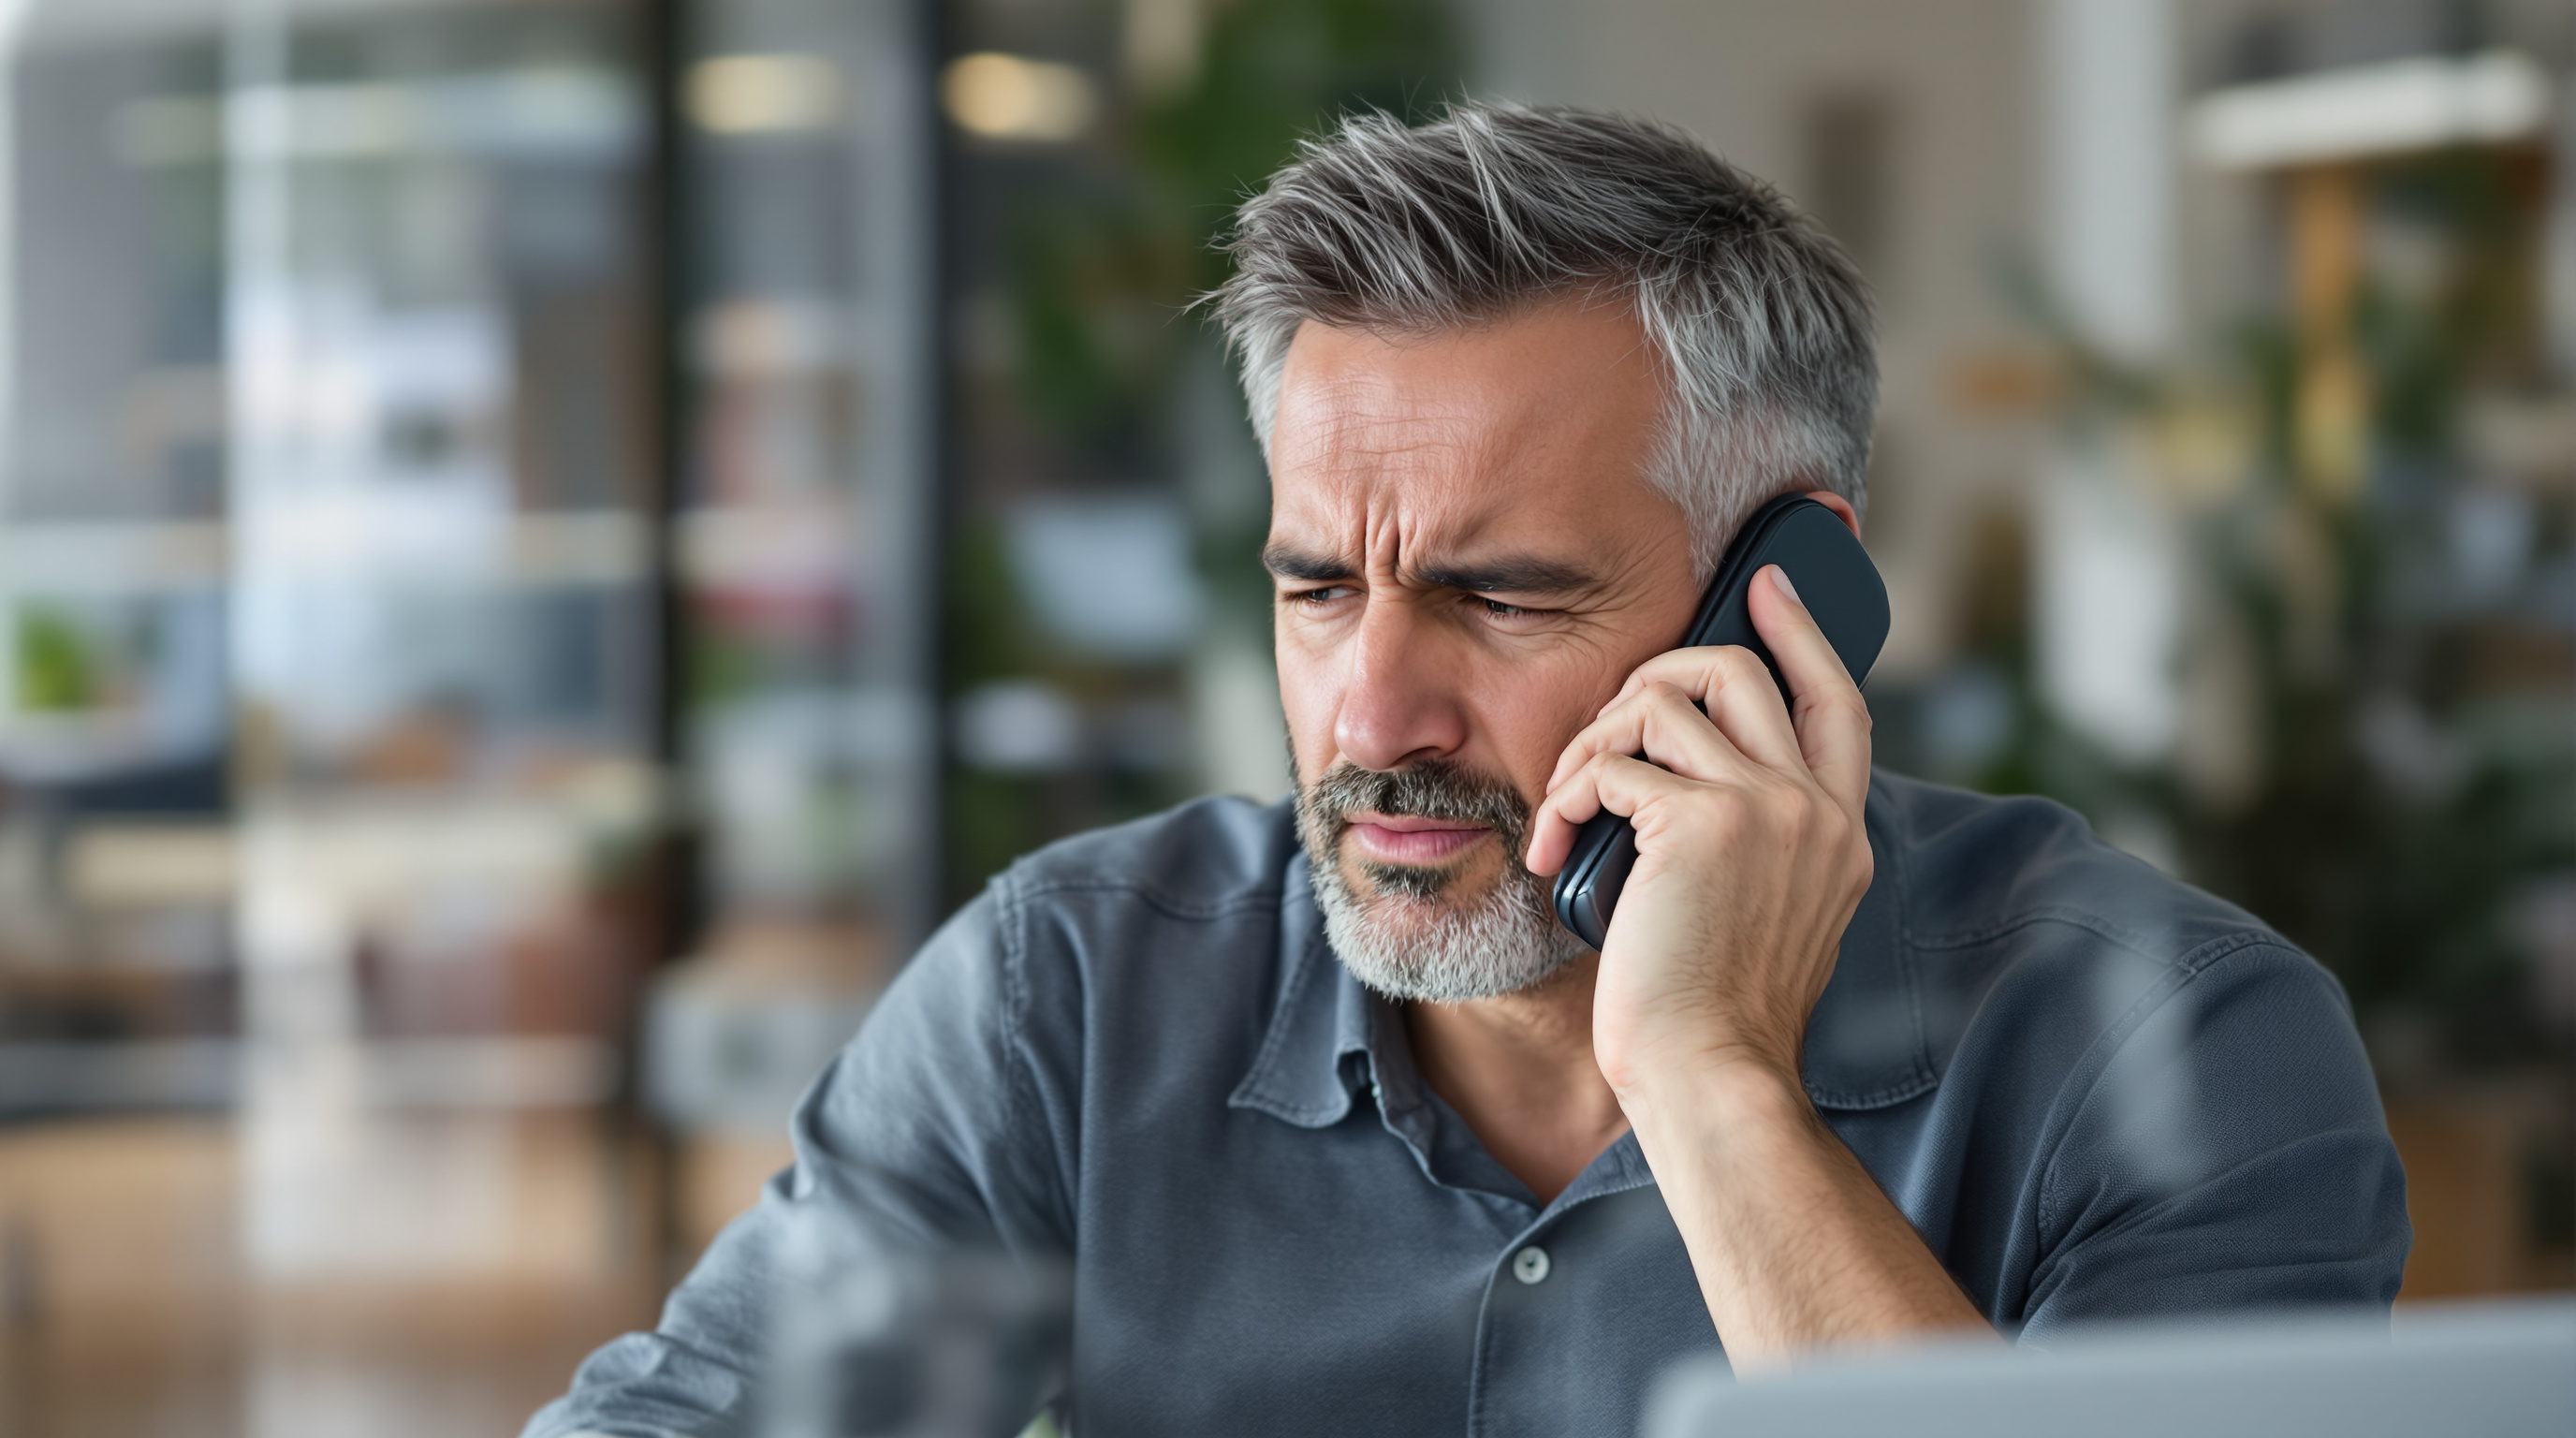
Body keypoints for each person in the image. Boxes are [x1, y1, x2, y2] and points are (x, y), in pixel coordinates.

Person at [527, 104, 2408, 1438]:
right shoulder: (1074, 995)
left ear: (1786, 602)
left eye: (1498, 597)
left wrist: (1711, 1080)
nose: (1370, 714)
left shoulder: (2172, 1053)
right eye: (1314, 588)